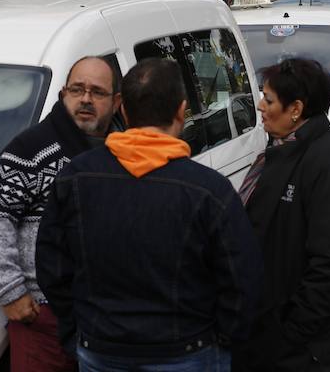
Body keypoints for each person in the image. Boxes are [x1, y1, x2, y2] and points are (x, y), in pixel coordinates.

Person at [37, 58, 261, 372]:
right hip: (188, 351)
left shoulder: (75, 178)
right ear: (181, 112)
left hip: (102, 349)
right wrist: (223, 338)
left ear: (122, 110)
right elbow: (242, 279)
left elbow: (52, 268)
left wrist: (80, 329)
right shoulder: (209, 190)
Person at [0, 57, 120, 372]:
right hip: (44, 320)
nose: (85, 99)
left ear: (117, 102)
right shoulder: (31, 149)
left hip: (109, 322)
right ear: (63, 94)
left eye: (97, 92)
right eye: (77, 89)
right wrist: (10, 291)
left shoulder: (123, 150)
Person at [240, 58, 330, 372]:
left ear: (295, 110)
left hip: (301, 352)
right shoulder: (281, 152)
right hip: (267, 339)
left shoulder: (329, 165)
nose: (259, 106)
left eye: (269, 100)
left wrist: (290, 334)